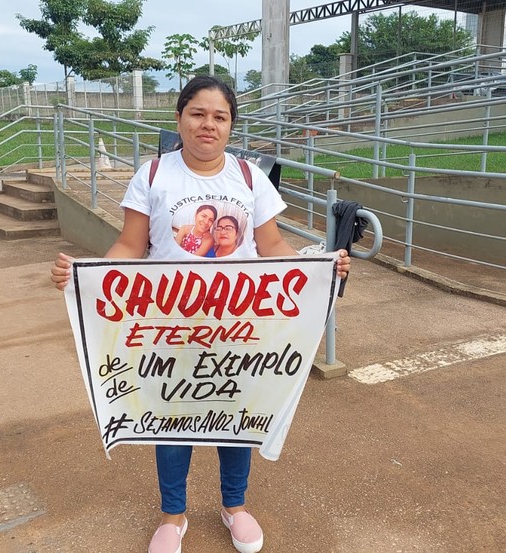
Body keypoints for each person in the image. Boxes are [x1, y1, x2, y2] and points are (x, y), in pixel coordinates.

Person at [51, 75, 351, 553]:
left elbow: (271, 245)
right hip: (169, 324)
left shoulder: (249, 177)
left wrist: (318, 269)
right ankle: (173, 516)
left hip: (240, 323)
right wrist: (89, 276)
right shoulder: (152, 176)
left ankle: (235, 506)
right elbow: (131, 245)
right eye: (198, 113)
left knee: (238, 411)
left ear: (231, 125)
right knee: (170, 417)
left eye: (220, 116)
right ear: (180, 119)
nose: (208, 125)